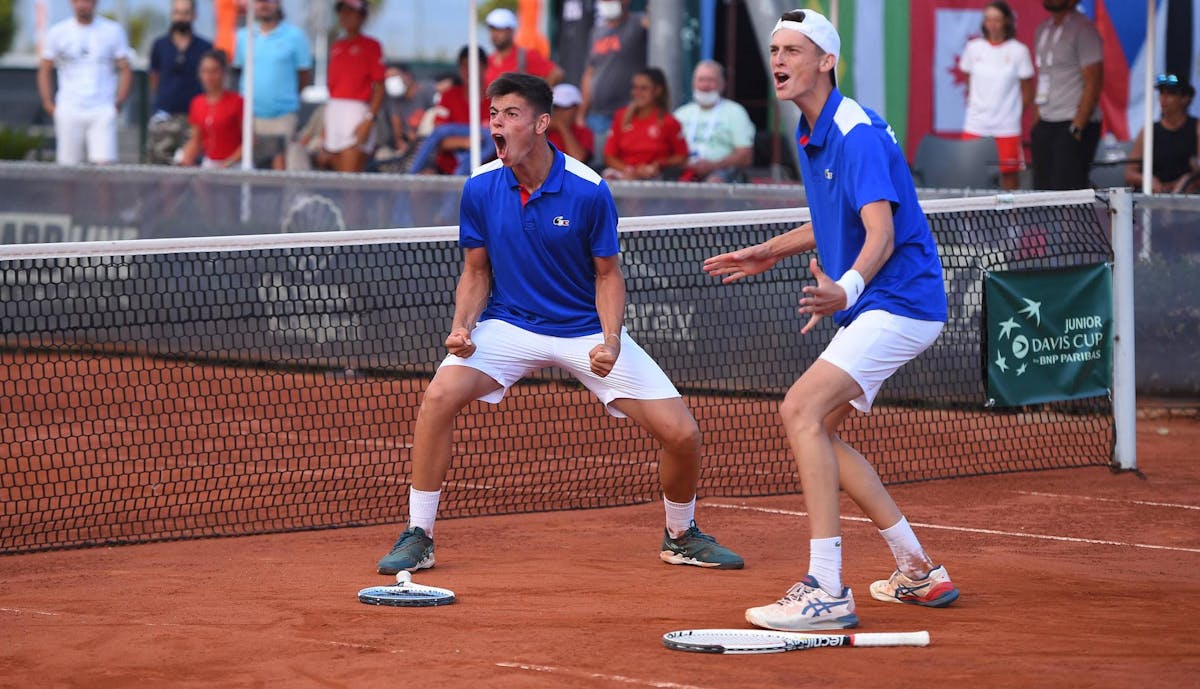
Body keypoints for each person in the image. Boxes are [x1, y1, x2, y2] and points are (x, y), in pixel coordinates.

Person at [375, 72, 743, 576]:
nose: (497, 124)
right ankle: (420, 534)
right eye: (493, 114)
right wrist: (463, 326)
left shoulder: (589, 190)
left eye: (510, 114)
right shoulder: (480, 187)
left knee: (683, 435)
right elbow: (476, 271)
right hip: (509, 326)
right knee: (438, 397)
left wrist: (611, 340)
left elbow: (609, 276)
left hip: (584, 330)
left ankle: (680, 535)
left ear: (541, 123)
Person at [703, 9, 958, 632]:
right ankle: (917, 569)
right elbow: (831, 219)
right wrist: (768, 251)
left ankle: (825, 588)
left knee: (798, 410)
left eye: (793, 49)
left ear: (827, 61)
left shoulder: (856, 131)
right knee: (824, 432)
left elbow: (881, 231)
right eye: (774, 49)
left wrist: (844, 289)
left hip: (899, 301)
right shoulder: (812, 130)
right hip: (880, 302)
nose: (779, 60)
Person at [37, 0, 132, 166]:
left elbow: (125, 68)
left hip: (102, 108)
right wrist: (48, 102)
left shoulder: (113, 31)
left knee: (105, 167)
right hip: (69, 107)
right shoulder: (58, 31)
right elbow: (45, 68)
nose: (83, 5)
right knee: (68, 167)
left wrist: (118, 102)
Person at [958, 1, 1034, 190]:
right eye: (988, 19)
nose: (992, 24)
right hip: (976, 123)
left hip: (1006, 127)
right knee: (970, 173)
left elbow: (1028, 92)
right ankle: (971, 218)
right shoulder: (973, 48)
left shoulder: (1019, 51)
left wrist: (1011, 113)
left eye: (997, 20)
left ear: (1007, 21)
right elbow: (969, 81)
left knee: (1009, 178)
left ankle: (1011, 219)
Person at [1030, 0, 1103, 190]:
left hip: (1072, 122)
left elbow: (1093, 80)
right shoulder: (1041, 30)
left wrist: (1078, 126)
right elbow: (1043, 76)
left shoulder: (1084, 29)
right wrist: (1038, 118)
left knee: (1068, 191)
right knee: (1041, 190)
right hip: (1046, 121)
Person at [233, 0, 314, 169]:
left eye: (268, 1)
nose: (264, 5)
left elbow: (304, 75)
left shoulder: (295, 36)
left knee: (284, 167)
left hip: (283, 117)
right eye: (259, 1)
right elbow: (239, 71)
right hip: (249, 117)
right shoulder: (243, 36)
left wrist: (286, 97)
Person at [405, 46, 495, 176]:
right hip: (446, 170)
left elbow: (499, 144)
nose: (469, 71)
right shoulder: (449, 96)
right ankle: (409, 177)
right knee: (422, 183)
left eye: (475, 65)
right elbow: (439, 139)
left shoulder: (495, 101)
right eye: (465, 66)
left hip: (485, 173)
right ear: (459, 68)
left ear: (485, 67)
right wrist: (467, 142)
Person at [145, 0, 212, 165]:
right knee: (159, 168)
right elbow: (154, 77)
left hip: (194, 120)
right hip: (165, 117)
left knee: (192, 167)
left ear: (193, 15)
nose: (181, 17)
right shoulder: (160, 45)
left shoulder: (205, 47)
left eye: (185, 13)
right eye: (177, 12)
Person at [577, 0, 649, 153]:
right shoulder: (597, 31)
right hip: (597, 115)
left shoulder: (638, 23)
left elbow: (656, 20)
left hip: (628, 113)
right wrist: (582, 113)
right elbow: (589, 72)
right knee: (597, 163)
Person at [323, 0, 385, 173]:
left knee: (351, 182)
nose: (345, 16)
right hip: (335, 111)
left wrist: (369, 119)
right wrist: (326, 124)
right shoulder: (337, 46)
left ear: (362, 16)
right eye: (342, 11)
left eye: (350, 11)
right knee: (340, 181)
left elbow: (379, 87)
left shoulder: (372, 46)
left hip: (356, 112)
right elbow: (333, 89)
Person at [673, 60, 756, 183]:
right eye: (701, 80)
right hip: (683, 168)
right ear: (693, 84)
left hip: (720, 170)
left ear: (723, 84)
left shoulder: (735, 112)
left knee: (714, 182)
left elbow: (746, 156)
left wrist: (713, 165)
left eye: (711, 80)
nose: (705, 85)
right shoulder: (681, 114)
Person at [601, 67, 688, 181]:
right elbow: (609, 156)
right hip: (624, 174)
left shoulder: (669, 121)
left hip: (655, 177)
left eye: (644, 88)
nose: (637, 93)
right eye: (634, 88)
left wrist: (660, 164)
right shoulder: (621, 116)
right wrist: (630, 170)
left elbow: (681, 156)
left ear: (658, 90)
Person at [1125, 74, 1200, 194]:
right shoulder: (1148, 131)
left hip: (1186, 200)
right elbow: (1130, 173)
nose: (1163, 98)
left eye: (1170, 93)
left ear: (1185, 98)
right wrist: (1148, 180)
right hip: (1153, 198)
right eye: (1161, 93)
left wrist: (1188, 181)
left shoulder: (1197, 128)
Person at [180, 49, 243, 168]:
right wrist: (186, 158)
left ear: (223, 73)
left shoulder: (237, 102)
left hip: (234, 165)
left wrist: (229, 163)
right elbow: (196, 140)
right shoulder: (197, 103)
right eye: (205, 71)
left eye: (214, 71)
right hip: (210, 164)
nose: (208, 76)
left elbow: (249, 141)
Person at [483, 7, 563, 88]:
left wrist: (536, 96)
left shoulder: (526, 56)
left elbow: (556, 74)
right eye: (492, 29)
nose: (495, 34)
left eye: (500, 29)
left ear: (511, 31)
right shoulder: (488, 60)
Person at [547, 83, 594, 162]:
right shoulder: (543, 130)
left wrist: (563, 127)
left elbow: (578, 159)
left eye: (565, 107)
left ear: (576, 108)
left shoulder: (584, 132)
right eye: (556, 107)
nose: (559, 112)